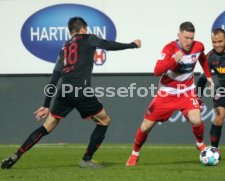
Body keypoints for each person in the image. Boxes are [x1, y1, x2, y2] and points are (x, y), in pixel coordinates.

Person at [1, 17, 141, 169]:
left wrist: (46, 104)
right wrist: (132, 45)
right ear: (82, 29)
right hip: (81, 90)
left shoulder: (65, 47)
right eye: (86, 29)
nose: (87, 32)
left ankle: (16, 155)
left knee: (47, 126)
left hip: (64, 90)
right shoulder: (89, 38)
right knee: (104, 120)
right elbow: (107, 45)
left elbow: (55, 76)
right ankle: (86, 160)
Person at [126, 22, 214, 166]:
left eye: (191, 38)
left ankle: (200, 144)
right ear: (179, 36)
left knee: (196, 120)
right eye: (186, 38)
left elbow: (203, 58)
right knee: (146, 127)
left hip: (186, 91)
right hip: (167, 92)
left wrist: (208, 76)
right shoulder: (169, 49)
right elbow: (157, 71)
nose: (189, 42)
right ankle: (134, 154)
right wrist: (174, 60)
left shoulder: (198, 46)